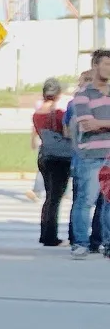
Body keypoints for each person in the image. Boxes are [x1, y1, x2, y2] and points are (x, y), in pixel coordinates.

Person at [66, 48, 110, 259]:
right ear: (95, 66)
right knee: (86, 200)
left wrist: (101, 123)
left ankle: (107, 244)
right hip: (91, 156)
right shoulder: (83, 96)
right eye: (106, 64)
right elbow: (87, 125)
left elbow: (96, 123)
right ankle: (80, 243)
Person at [32, 78, 72, 248]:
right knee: (55, 199)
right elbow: (67, 134)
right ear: (58, 95)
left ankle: (45, 233)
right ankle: (51, 236)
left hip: (44, 155)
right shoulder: (59, 114)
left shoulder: (37, 114)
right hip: (60, 158)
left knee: (49, 197)